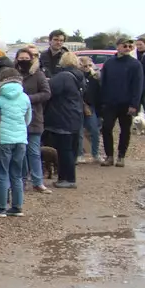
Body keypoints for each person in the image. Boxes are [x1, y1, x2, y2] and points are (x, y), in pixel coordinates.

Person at [0, 68, 32, 217]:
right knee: (17, 174)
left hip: (3, 139)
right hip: (21, 139)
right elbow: (28, 119)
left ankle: (1, 207)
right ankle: (17, 206)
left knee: (2, 173)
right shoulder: (25, 97)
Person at [97, 37, 144, 166]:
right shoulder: (109, 63)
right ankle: (109, 156)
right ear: (118, 46)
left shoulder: (135, 64)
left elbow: (138, 86)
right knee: (106, 128)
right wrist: (102, 101)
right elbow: (103, 83)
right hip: (110, 102)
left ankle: (121, 156)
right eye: (125, 46)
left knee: (125, 130)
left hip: (126, 104)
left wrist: (134, 104)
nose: (127, 48)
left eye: (130, 46)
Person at [45, 51, 85, 188]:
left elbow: (49, 92)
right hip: (75, 115)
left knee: (64, 150)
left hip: (62, 116)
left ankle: (67, 179)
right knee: (71, 149)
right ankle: (68, 177)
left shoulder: (62, 77)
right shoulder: (79, 76)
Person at [16, 46, 51, 193]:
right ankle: (21, 181)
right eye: (21, 58)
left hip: (34, 117)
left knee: (34, 151)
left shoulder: (38, 75)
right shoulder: (13, 74)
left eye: (27, 59)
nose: (24, 61)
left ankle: (38, 182)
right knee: (20, 153)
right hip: (16, 119)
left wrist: (27, 99)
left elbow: (46, 93)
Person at [79, 56, 103, 163]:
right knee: (78, 132)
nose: (87, 68)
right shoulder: (77, 77)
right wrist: (83, 105)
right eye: (85, 66)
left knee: (95, 130)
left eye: (89, 65)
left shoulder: (95, 78)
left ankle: (95, 154)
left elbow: (98, 94)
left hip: (91, 107)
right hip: (78, 107)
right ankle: (79, 154)